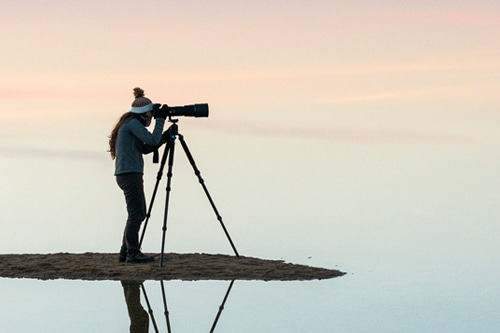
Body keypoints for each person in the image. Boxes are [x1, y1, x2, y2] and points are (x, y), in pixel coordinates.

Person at [109, 87, 169, 263]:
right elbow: (151, 140)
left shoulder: (130, 124)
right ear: (144, 114)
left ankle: (125, 252)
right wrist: (161, 120)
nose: (152, 117)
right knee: (137, 214)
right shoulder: (133, 124)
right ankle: (132, 253)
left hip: (127, 173)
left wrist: (164, 137)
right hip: (130, 174)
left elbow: (145, 148)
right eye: (151, 114)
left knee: (136, 213)